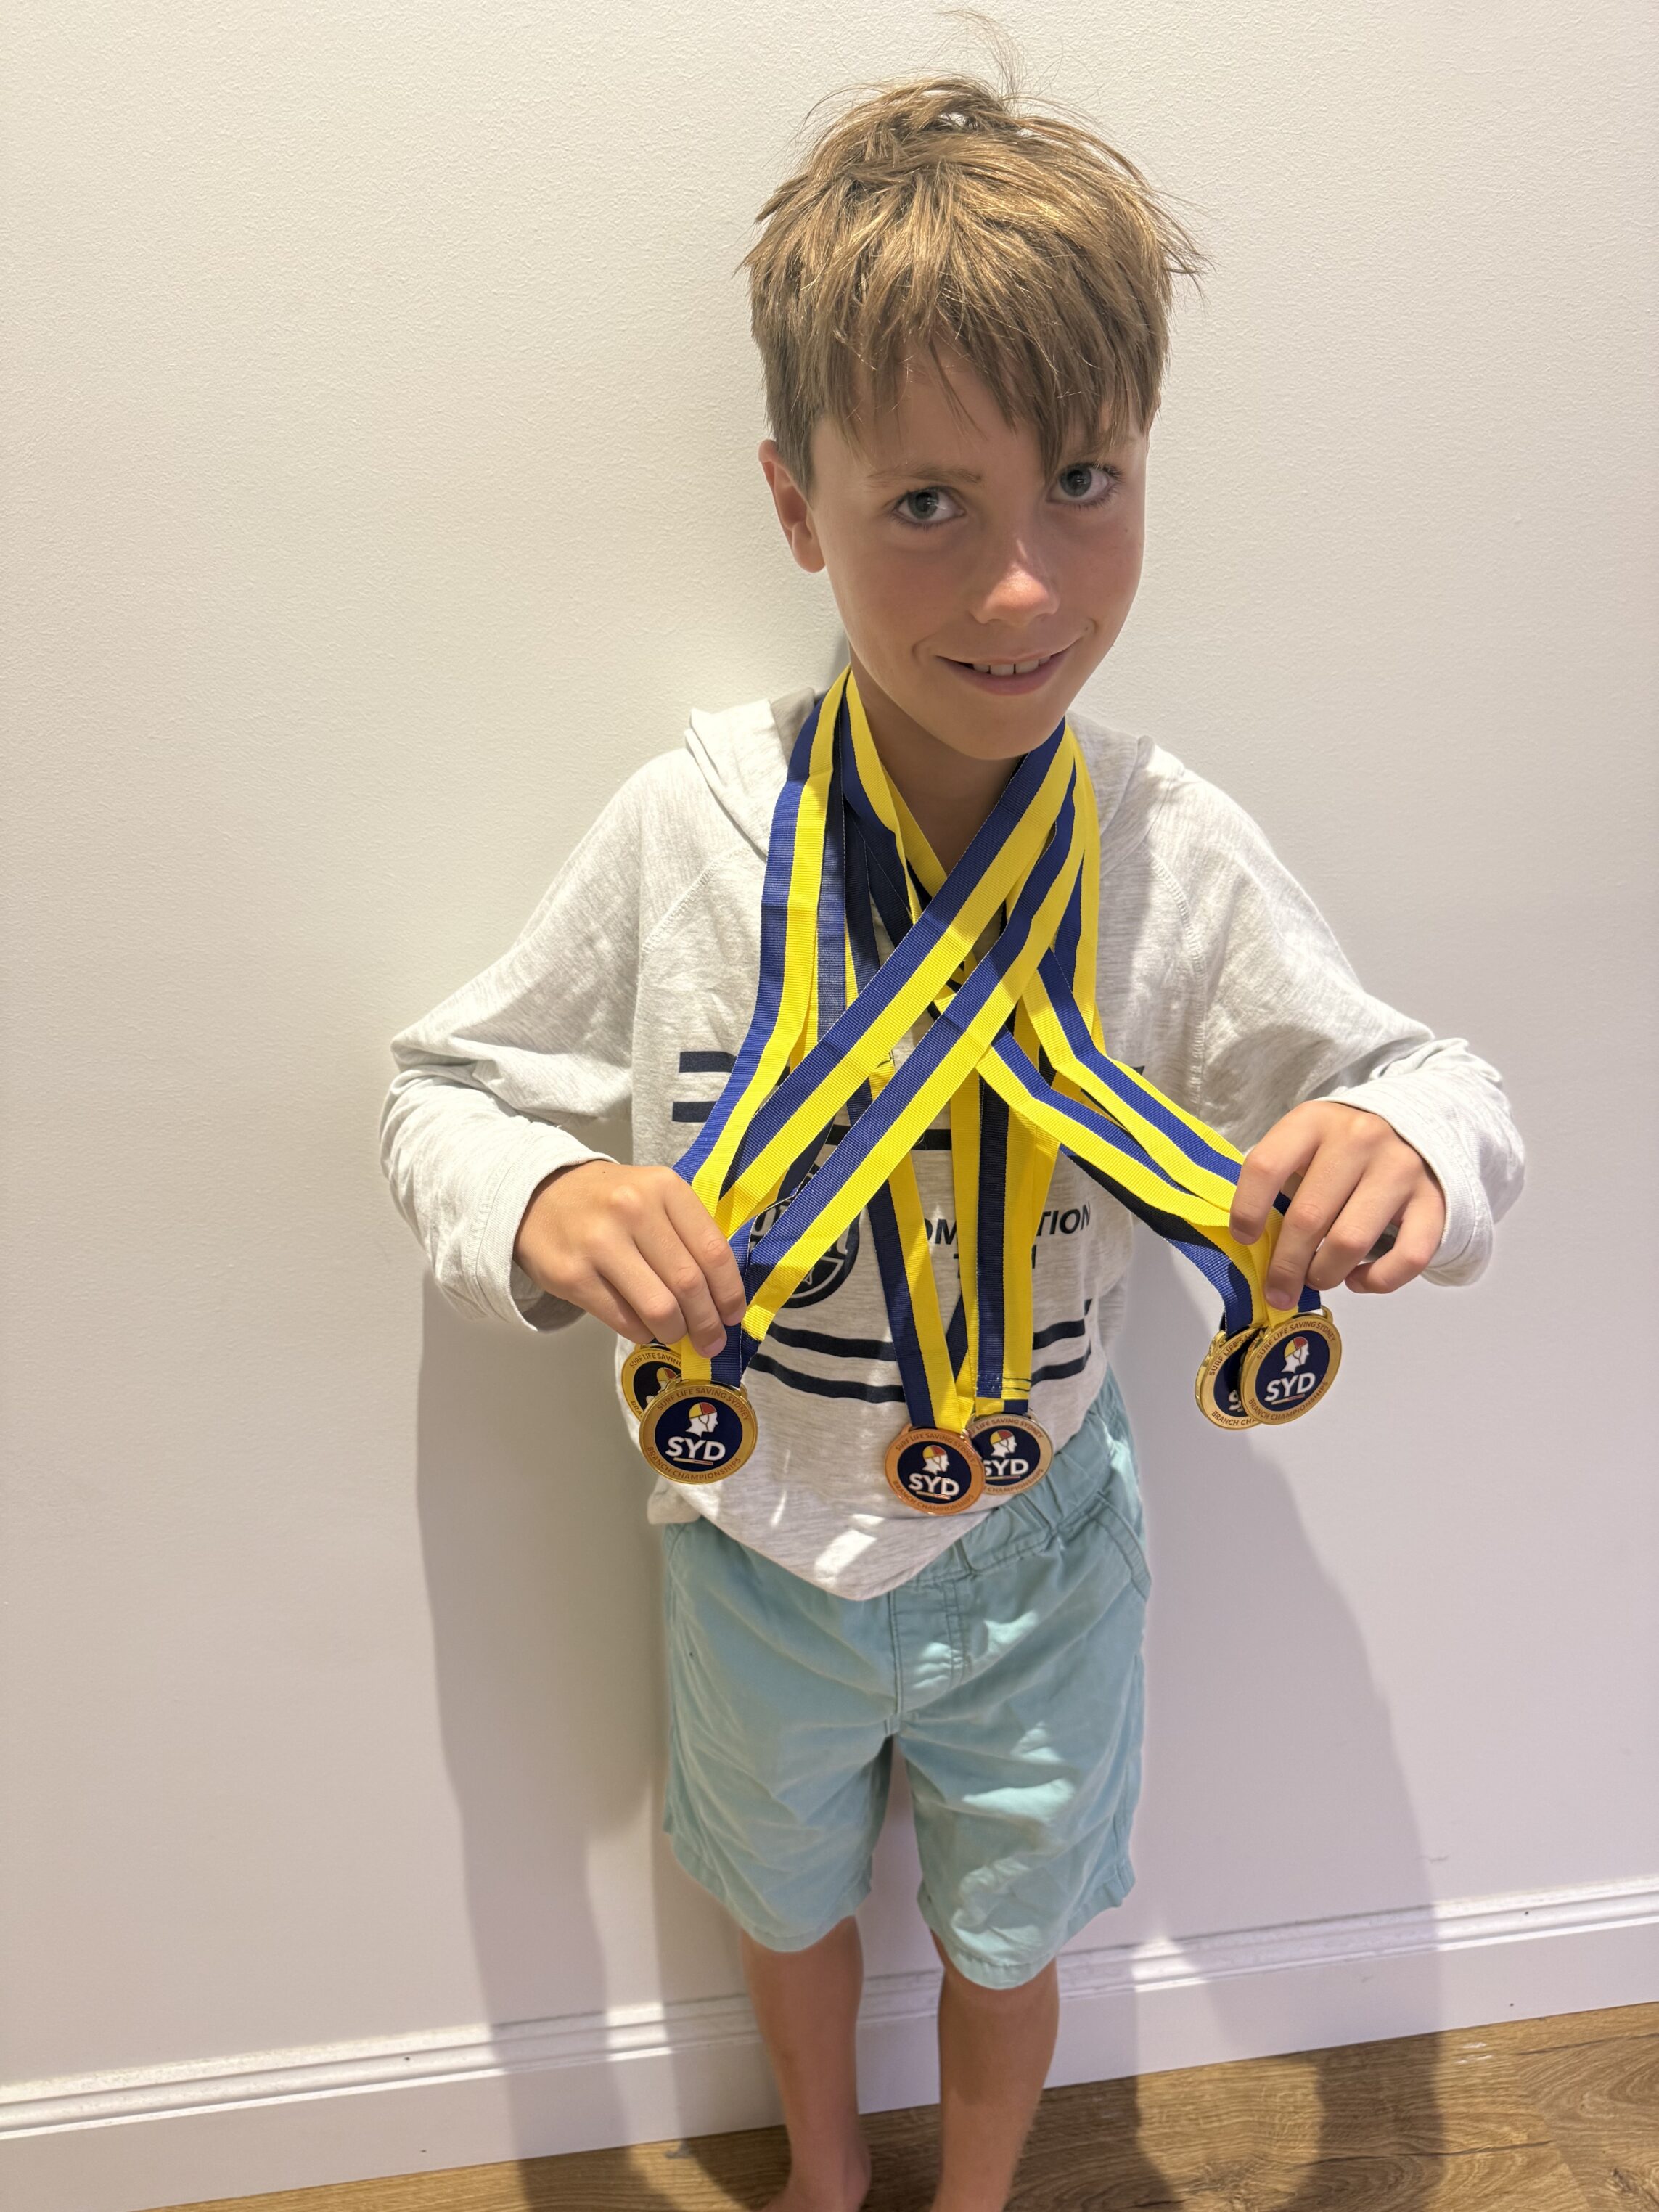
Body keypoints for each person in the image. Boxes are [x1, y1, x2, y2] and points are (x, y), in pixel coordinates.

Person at [379, 67, 1523, 2212]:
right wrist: (541, 1192)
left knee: (1016, 1928)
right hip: (755, 1530)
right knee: (780, 1890)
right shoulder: (694, 832)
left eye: (1084, 482)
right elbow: (441, 1089)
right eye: (928, 502)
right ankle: (825, 2173)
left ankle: (978, 2194)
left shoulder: (1168, 848)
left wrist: (1410, 1152)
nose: (1019, 588)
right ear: (795, 503)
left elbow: (1442, 1080)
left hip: (1045, 1539)